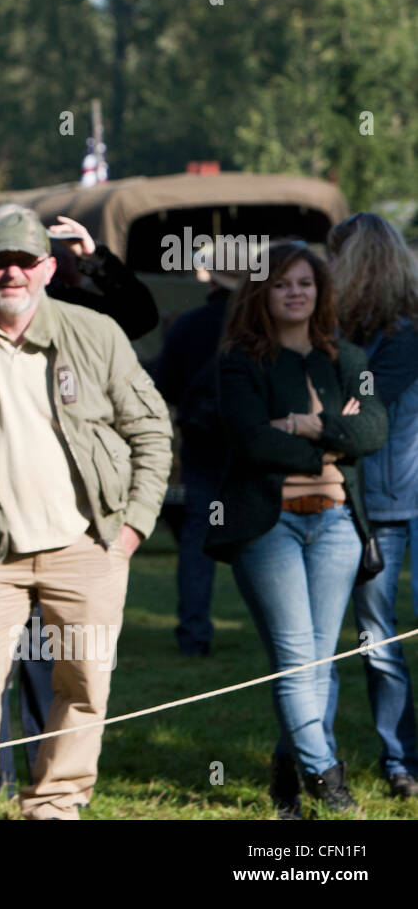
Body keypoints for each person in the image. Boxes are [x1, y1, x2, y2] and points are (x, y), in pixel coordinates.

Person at [0, 208, 172, 820]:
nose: (13, 273)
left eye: (26, 261)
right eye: (1, 261)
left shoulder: (95, 334)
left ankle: (55, 801)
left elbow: (151, 430)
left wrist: (132, 526)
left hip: (89, 545)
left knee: (83, 684)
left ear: (48, 267)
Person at [205, 241, 387, 818]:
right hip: (269, 527)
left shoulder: (350, 362)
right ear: (263, 291)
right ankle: (328, 780)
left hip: (336, 526)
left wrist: (307, 424)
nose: (295, 292)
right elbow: (251, 439)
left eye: (305, 282)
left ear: (320, 290)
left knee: (319, 661)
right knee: (296, 660)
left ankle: (287, 776)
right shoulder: (240, 362)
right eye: (283, 283)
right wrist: (329, 446)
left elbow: (374, 431)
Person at [323, 212, 418, 798]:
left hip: (396, 499)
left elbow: (364, 409)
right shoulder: (335, 333)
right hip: (371, 508)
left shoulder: (405, 335)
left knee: (380, 641)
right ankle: (401, 758)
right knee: (377, 643)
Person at [153, 258, 242, 656]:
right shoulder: (258, 327)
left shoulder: (187, 326)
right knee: (267, 543)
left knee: (197, 544)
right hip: (252, 451)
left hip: (202, 451)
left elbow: (164, 388)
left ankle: (194, 634)